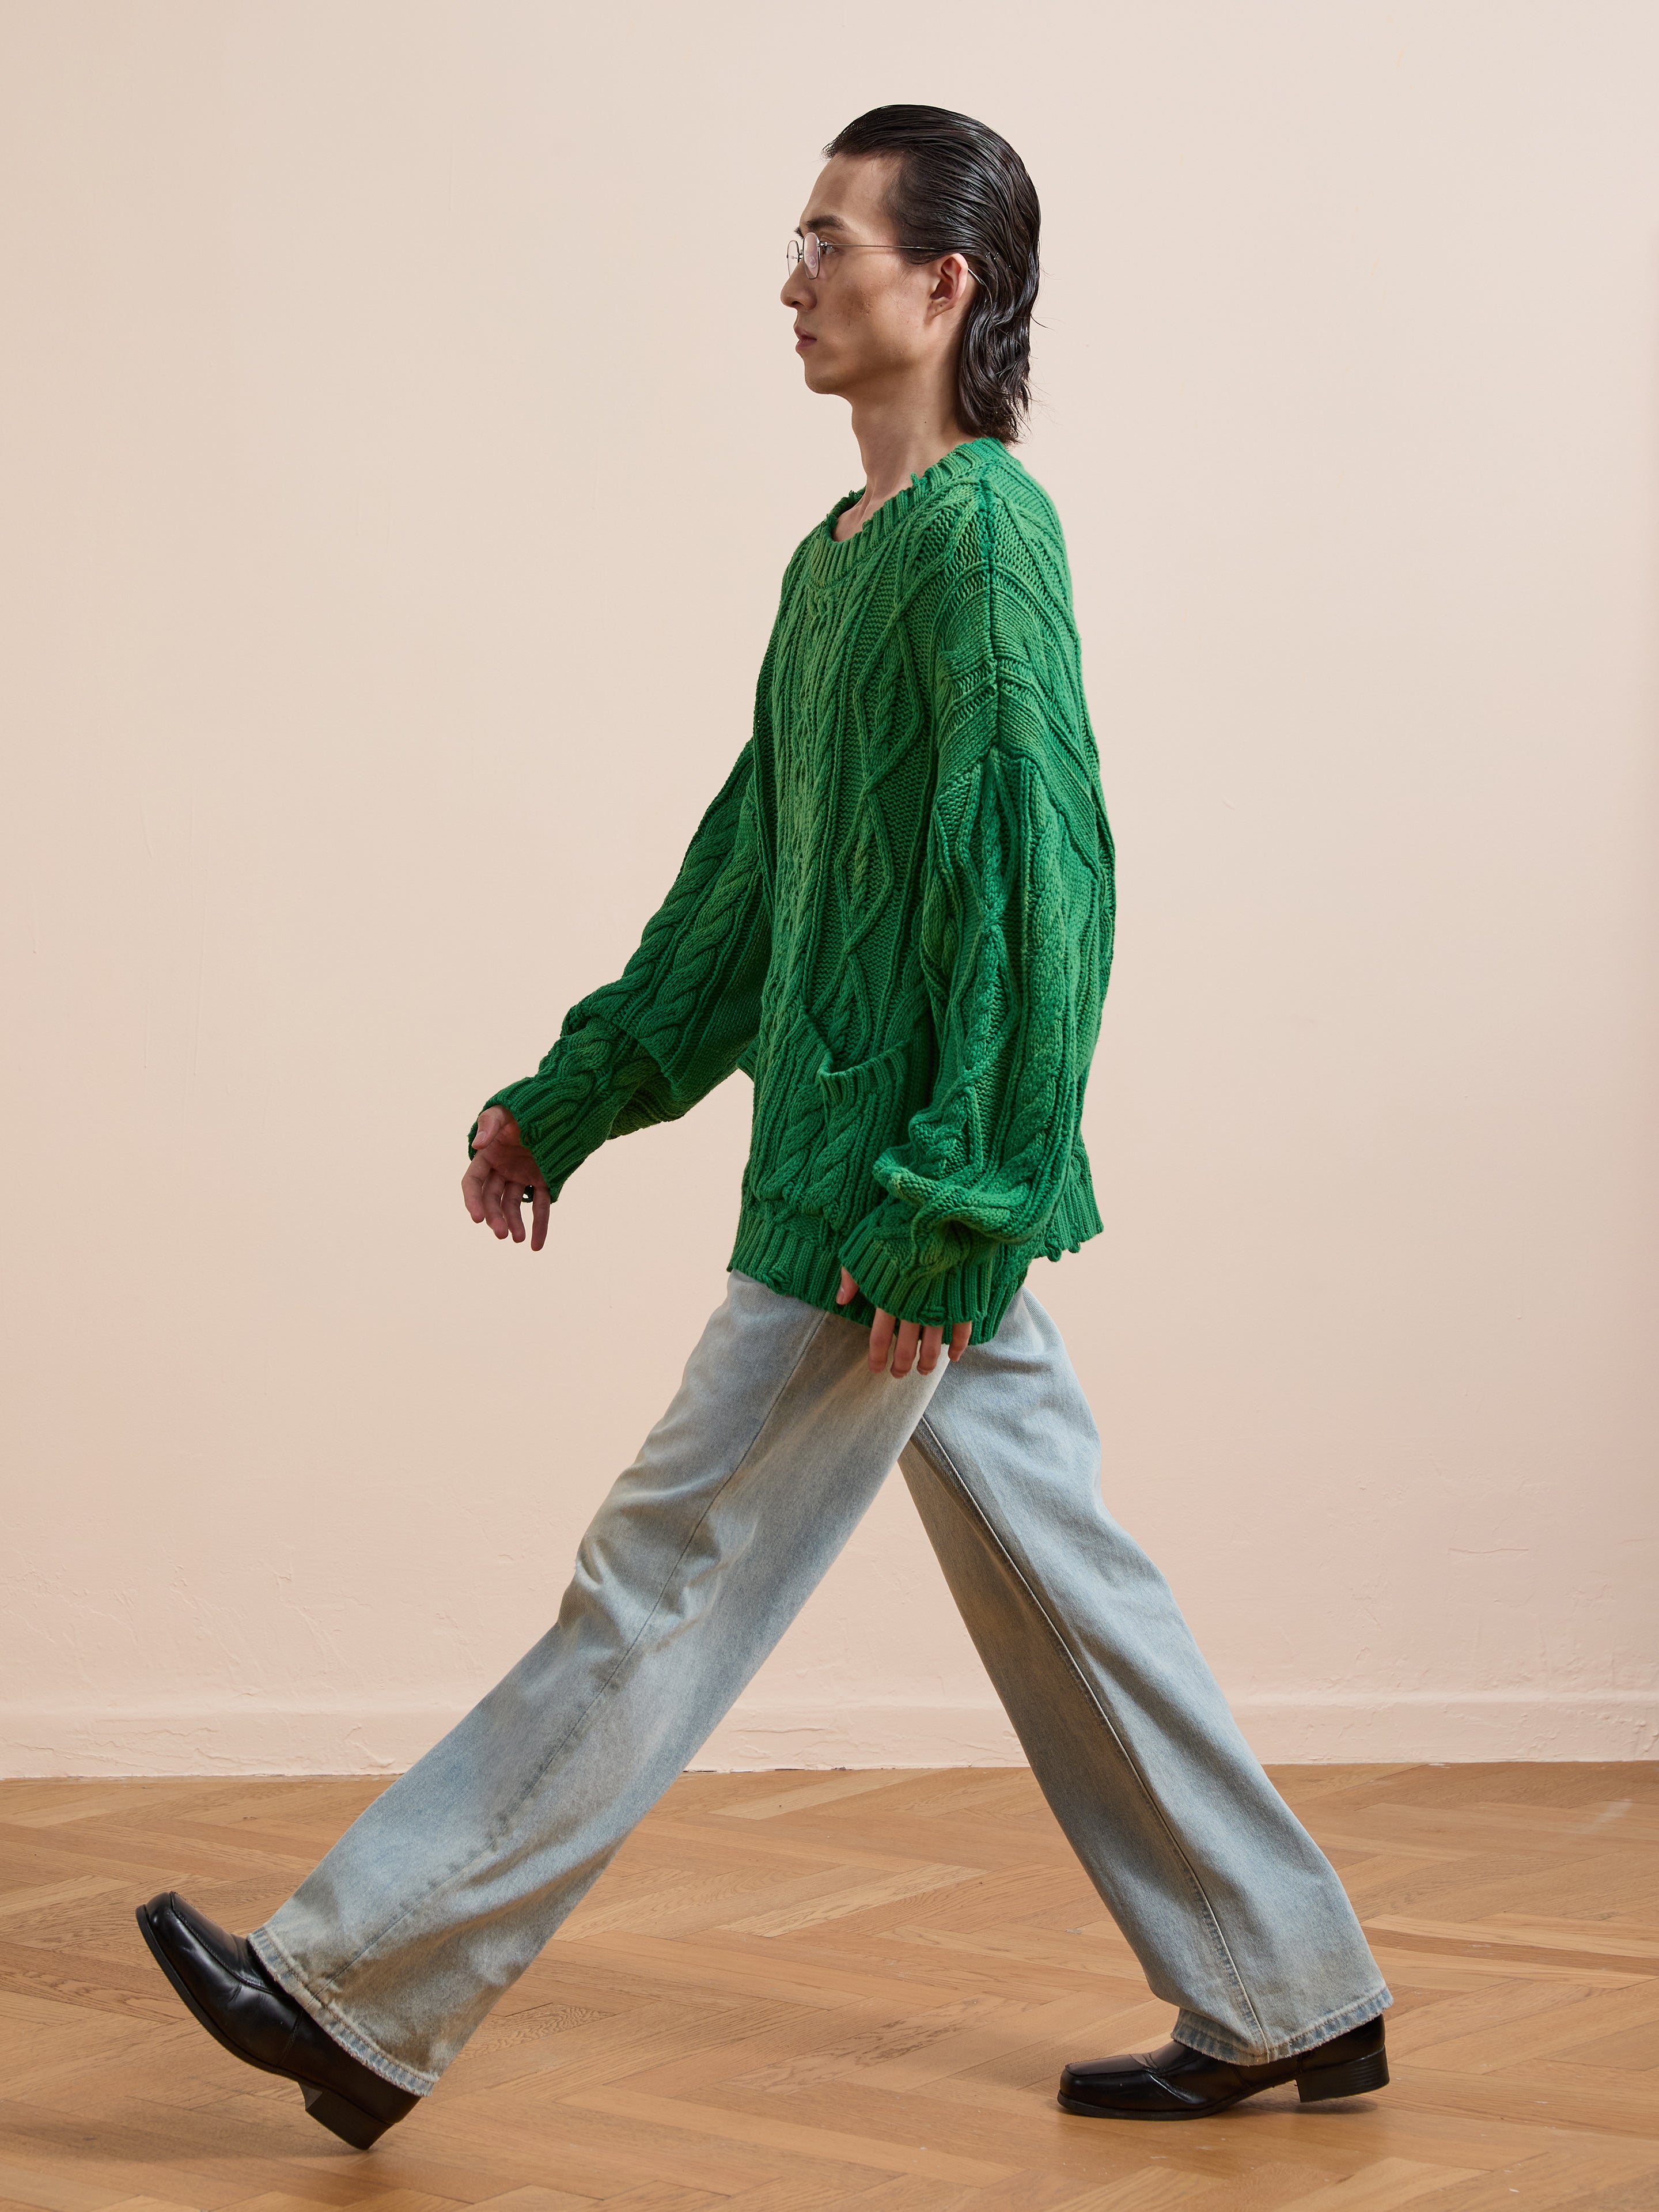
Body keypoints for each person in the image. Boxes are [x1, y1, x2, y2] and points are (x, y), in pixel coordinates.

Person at [136, 104, 1391, 2152]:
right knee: (1063, 1579)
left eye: (830, 242)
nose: (792, 280)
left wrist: (956, 1204)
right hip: (863, 1189)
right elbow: (750, 893)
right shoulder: (836, 573)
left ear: (945, 284)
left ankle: (361, 1987)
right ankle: (1289, 1987)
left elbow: (1040, 880)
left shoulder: (988, 538)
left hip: (877, 1205)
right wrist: (577, 1096)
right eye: (792, 243)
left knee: (663, 1568)